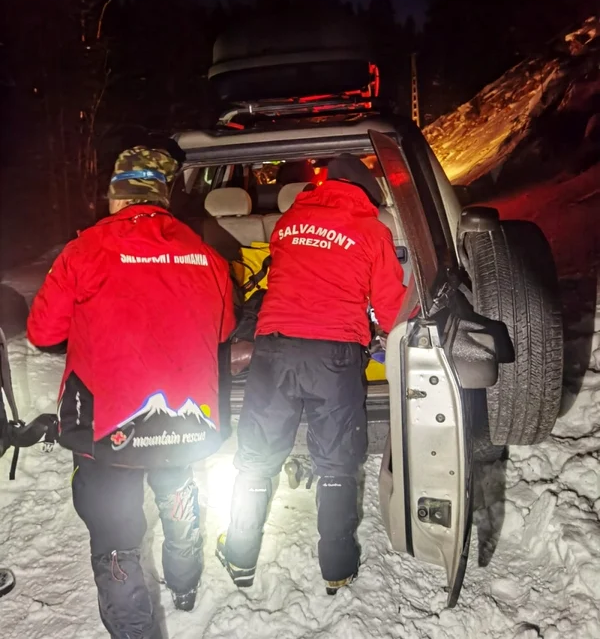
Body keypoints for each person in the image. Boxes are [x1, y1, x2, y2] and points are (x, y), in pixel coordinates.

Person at [27, 146, 236, 639]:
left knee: (117, 540)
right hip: (184, 420)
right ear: (162, 196)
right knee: (176, 491)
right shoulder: (205, 254)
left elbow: (41, 332)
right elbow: (224, 329)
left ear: (116, 197)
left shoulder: (85, 250)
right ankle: (184, 586)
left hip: (108, 426)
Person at [217, 153, 407, 595]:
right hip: (334, 355)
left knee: (256, 460)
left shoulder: (289, 222)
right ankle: (337, 566)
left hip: (274, 349)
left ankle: (241, 555)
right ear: (366, 194)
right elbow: (392, 306)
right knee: (337, 462)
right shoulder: (371, 231)